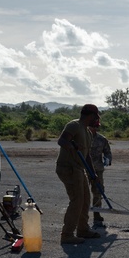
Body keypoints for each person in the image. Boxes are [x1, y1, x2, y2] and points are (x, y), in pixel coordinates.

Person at [55, 104, 102, 244]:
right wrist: (72, 147)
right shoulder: (74, 125)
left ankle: (83, 229)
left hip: (79, 169)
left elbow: (86, 156)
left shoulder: (87, 132)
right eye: (95, 116)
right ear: (90, 115)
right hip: (68, 168)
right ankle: (67, 234)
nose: (96, 119)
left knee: (86, 199)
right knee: (77, 200)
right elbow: (62, 141)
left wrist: (93, 174)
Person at [88, 119, 112, 227]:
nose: (94, 128)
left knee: (98, 191)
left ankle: (96, 213)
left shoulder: (102, 139)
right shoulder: (82, 138)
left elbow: (107, 152)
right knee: (82, 192)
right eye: (92, 126)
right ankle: (82, 214)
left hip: (97, 169)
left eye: (95, 127)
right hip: (84, 169)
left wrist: (107, 159)